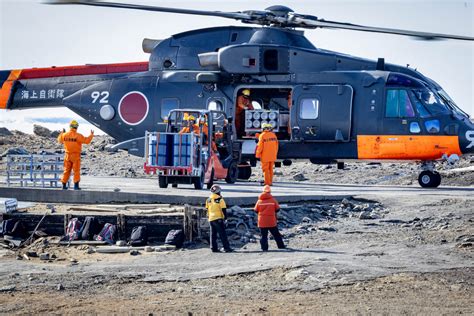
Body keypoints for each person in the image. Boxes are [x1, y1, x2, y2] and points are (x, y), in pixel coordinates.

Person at [57, 120, 94, 190]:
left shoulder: (64, 135)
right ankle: (76, 186)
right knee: (76, 171)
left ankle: (64, 185)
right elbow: (87, 141)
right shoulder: (78, 136)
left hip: (67, 155)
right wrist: (91, 135)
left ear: (70, 126)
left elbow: (59, 140)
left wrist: (62, 132)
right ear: (76, 127)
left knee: (66, 170)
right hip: (75, 156)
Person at [254, 185, 286, 251]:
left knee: (263, 236)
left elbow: (256, 210)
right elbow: (277, 209)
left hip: (262, 222)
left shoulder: (259, 201)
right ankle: (281, 246)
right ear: (270, 192)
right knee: (276, 234)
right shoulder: (273, 200)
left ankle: (264, 248)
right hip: (271, 221)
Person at [205, 184, 233, 253]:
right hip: (218, 219)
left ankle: (213, 248)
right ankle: (227, 248)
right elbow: (224, 209)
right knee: (222, 234)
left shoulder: (208, 200)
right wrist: (225, 219)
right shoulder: (220, 199)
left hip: (211, 219)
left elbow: (207, 209)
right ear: (219, 191)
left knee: (213, 234)